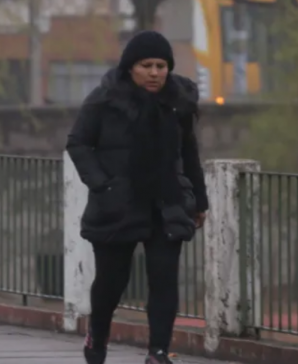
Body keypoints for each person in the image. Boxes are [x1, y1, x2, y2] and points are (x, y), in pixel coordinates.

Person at [65, 31, 209, 364]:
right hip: (118, 204)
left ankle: (158, 351)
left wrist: (199, 201)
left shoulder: (178, 103)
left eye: (161, 66)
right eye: (147, 65)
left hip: (166, 202)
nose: (155, 73)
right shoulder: (104, 100)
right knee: (112, 283)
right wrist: (103, 185)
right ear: (131, 67)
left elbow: (189, 153)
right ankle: (97, 336)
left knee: (164, 278)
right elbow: (78, 143)